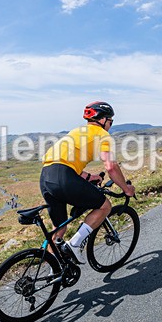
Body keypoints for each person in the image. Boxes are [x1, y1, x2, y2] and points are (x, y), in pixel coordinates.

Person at [40, 101, 135, 264]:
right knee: (105, 206)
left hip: (46, 177)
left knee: (60, 227)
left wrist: (89, 177)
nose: (111, 125)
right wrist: (126, 188)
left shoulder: (77, 131)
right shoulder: (103, 135)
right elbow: (110, 166)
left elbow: (66, 162)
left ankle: (54, 271)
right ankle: (75, 245)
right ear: (103, 120)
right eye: (110, 121)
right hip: (64, 177)